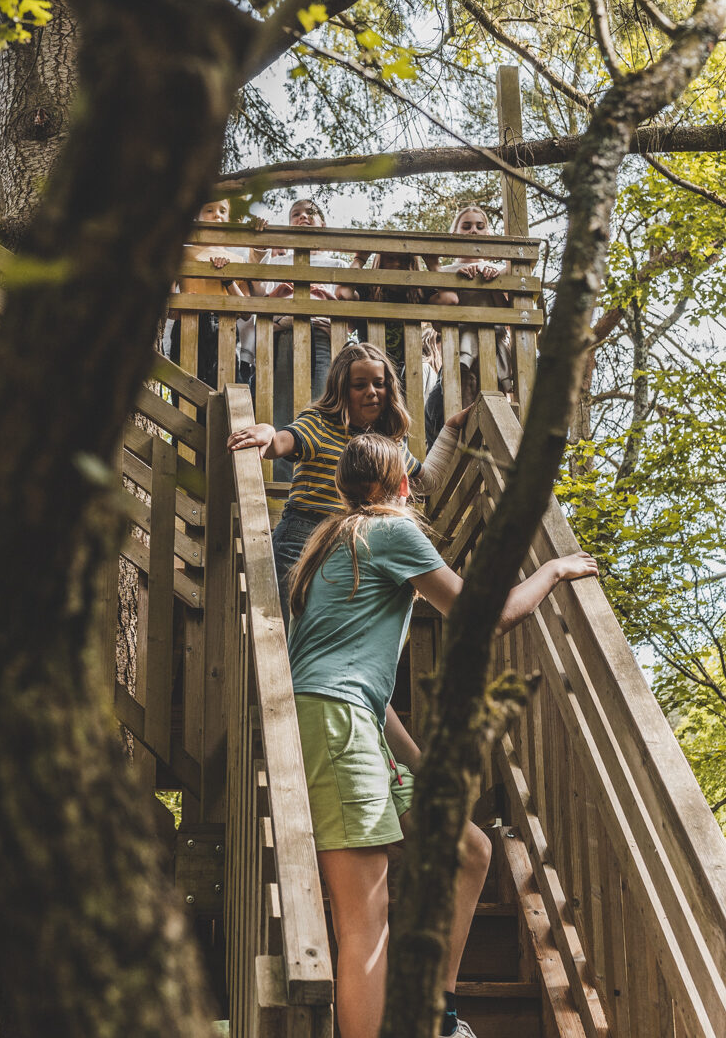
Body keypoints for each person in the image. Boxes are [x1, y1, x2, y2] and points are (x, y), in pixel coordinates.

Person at [285, 432, 599, 1038]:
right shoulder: (390, 532)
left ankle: (439, 1014)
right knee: (364, 923)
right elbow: (492, 616)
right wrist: (555, 568)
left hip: (352, 721)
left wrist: (418, 764)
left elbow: (357, 680)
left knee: (470, 850)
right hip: (336, 725)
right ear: (401, 482)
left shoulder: (335, 541)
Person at [226, 341, 468, 624]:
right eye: (359, 385)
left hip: (354, 544)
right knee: (287, 633)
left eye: (379, 383)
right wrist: (267, 431)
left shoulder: (389, 443)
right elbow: (281, 442)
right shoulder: (319, 423)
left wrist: (450, 429)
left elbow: (425, 481)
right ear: (342, 390)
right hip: (302, 538)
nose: (371, 392)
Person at [259, 198, 353, 484]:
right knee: (285, 405)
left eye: (310, 213)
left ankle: (323, 479)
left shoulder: (336, 263)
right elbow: (258, 303)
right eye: (296, 214)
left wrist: (331, 301)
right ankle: (284, 481)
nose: (303, 218)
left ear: (322, 224)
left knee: (325, 404)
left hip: (325, 335)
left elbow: (349, 317)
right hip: (286, 334)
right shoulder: (278, 261)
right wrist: (277, 298)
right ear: (288, 226)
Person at [426, 205, 513, 407]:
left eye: (480, 226)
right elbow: (438, 324)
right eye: (466, 226)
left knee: (496, 405)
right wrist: (457, 282)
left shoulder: (500, 271)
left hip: (493, 354)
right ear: (454, 233)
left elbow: (508, 318)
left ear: (488, 233)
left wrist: (494, 283)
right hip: (457, 356)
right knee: (459, 406)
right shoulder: (444, 271)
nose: (473, 230)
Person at [165, 198, 254, 387]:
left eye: (223, 211)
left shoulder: (238, 258)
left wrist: (227, 279)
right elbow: (170, 310)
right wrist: (182, 303)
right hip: (188, 325)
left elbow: (246, 313)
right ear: (196, 217)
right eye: (209, 210)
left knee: (225, 388)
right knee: (185, 386)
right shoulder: (181, 253)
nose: (217, 215)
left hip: (226, 327)